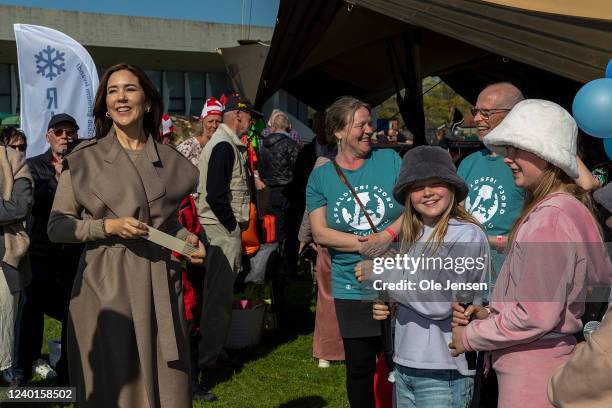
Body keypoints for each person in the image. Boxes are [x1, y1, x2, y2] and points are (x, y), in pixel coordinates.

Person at [47, 63, 205, 408]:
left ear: (147, 101)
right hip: (105, 287)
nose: (121, 97)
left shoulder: (171, 160)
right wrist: (107, 227)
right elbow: (57, 226)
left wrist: (186, 239)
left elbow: (163, 224)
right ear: (105, 104)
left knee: (169, 385)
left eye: (130, 89)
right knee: (112, 384)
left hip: (160, 283)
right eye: (113, 91)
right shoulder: (84, 159)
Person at [449, 99, 612, 408]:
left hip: (531, 376)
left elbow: (535, 317)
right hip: (548, 365)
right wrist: (493, 313)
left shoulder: (549, 219)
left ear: (547, 155)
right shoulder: (571, 209)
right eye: (507, 150)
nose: (508, 159)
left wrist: (469, 336)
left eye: (517, 150)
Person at [359, 146, 489, 407]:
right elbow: (413, 291)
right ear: (407, 195)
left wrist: (383, 275)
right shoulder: (414, 233)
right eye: (417, 186)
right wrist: (390, 307)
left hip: (445, 370)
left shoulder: (467, 235)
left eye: (436, 183)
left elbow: (441, 302)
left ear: (452, 187)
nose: (428, 192)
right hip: (406, 364)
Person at [306, 96, 404, 407]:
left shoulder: (390, 161)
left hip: (398, 277)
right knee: (359, 367)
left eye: (369, 123)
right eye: (359, 124)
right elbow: (320, 232)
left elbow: (415, 206)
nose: (369, 130)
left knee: (399, 361)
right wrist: (366, 244)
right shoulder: (321, 176)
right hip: (350, 282)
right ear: (337, 131)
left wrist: (387, 236)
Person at [196, 95, 261, 369]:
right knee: (218, 299)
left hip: (220, 229)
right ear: (237, 116)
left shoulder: (227, 144)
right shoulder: (224, 145)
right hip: (221, 231)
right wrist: (233, 226)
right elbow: (215, 194)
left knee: (218, 296)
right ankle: (208, 358)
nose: (252, 124)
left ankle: (213, 350)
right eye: (250, 118)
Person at [18, 114, 83, 386]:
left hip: (72, 253)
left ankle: (68, 372)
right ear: (48, 136)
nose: (65, 137)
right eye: (59, 132)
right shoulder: (33, 167)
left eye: (70, 133)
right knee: (30, 313)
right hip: (40, 252)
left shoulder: (83, 168)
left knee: (73, 312)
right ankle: (21, 370)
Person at [458, 82, 525, 290]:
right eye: (476, 111)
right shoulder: (469, 162)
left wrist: (493, 241)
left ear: (513, 115)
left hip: (512, 284)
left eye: (486, 113)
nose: (477, 118)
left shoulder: (528, 164)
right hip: (468, 283)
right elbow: (456, 216)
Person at [297, 110, 344, 368]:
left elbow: (310, 205)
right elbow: (311, 204)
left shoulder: (323, 164)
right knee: (329, 295)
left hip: (334, 237)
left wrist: (304, 237)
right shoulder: (323, 165)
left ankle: (328, 351)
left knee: (328, 295)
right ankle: (328, 350)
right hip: (330, 237)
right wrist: (305, 235)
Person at [0, 141, 32, 386]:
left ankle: (9, 372)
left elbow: (20, 206)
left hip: (6, 256)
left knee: (8, 323)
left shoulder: (14, 159)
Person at [257, 110, 300, 247]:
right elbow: (298, 170)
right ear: (288, 127)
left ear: (273, 127)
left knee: (274, 228)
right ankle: (285, 260)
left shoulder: (264, 146)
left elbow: (261, 170)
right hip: (288, 191)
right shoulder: (292, 144)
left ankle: (274, 258)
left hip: (270, 190)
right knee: (288, 229)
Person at [177, 97, 223, 166]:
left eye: (218, 121)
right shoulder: (188, 147)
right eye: (210, 121)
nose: (214, 125)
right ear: (202, 120)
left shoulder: (224, 147)